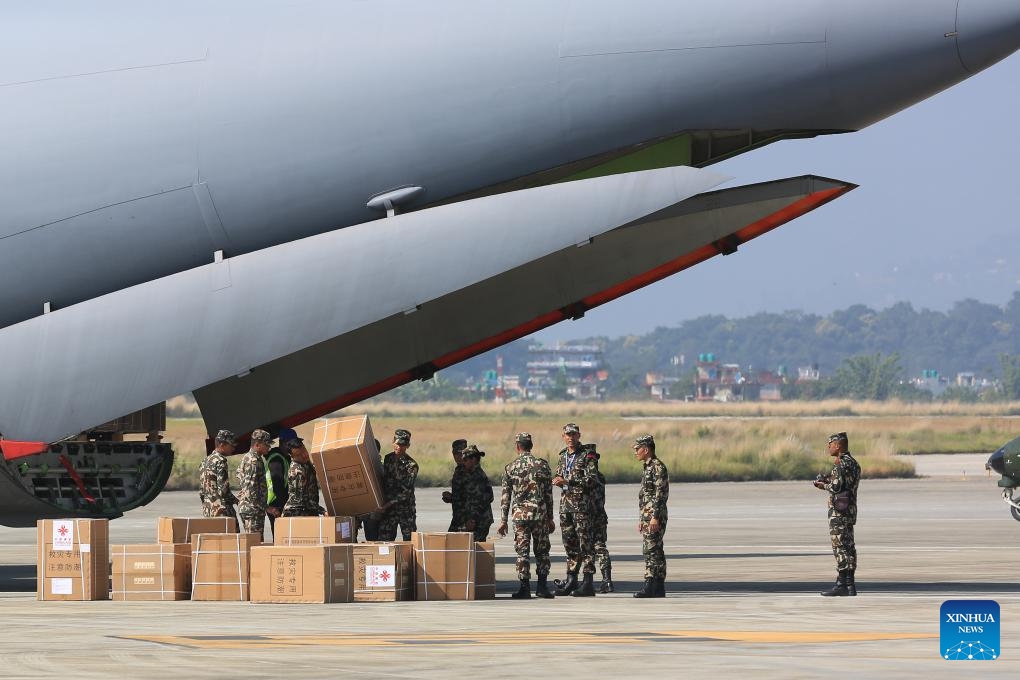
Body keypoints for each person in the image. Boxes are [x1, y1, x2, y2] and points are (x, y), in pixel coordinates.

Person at [498, 432, 556, 599]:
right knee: (542, 551)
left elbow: (505, 497)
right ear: (531, 445)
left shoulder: (511, 467)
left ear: (518, 447)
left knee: (522, 552)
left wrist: (503, 521)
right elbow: (548, 494)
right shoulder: (542, 465)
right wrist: (550, 517)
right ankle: (542, 587)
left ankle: (524, 587)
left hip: (520, 516)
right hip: (539, 515)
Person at [552, 423, 598, 597]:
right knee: (569, 544)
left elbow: (592, 479)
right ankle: (571, 579)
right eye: (567, 435)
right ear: (563, 436)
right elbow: (559, 474)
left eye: (574, 434)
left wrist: (568, 481)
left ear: (579, 436)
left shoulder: (587, 455)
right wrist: (558, 481)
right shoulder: (563, 456)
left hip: (581, 506)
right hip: (566, 506)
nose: (571, 438)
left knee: (585, 544)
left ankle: (588, 582)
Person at [814, 431, 861, 597]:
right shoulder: (854, 463)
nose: (828, 447)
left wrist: (822, 485)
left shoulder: (840, 464)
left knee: (839, 545)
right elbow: (845, 484)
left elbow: (836, 487)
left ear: (839, 445)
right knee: (849, 546)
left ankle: (842, 583)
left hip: (839, 511)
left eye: (831, 444)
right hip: (850, 510)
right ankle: (849, 584)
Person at [633, 434, 669, 598]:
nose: (635, 452)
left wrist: (654, 517)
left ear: (646, 450)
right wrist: (642, 519)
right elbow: (645, 496)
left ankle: (650, 584)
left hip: (655, 516)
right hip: (648, 515)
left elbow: (660, 495)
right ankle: (658, 586)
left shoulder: (657, 467)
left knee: (651, 550)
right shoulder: (648, 467)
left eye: (637, 449)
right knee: (656, 551)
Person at [379, 429, 419, 541]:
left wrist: (387, 504)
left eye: (402, 445)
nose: (399, 447)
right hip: (389, 509)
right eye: (397, 444)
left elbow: (406, 492)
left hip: (405, 510)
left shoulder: (411, 465)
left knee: (410, 540)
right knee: (384, 539)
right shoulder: (388, 459)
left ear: (408, 446)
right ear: (393, 443)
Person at [236, 429, 274, 538]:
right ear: (257, 444)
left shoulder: (247, 457)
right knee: (254, 543)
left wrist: (244, 487)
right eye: (266, 444)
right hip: (252, 510)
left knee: (254, 541)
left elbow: (238, 473)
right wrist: (266, 508)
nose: (269, 447)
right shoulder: (254, 461)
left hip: (250, 508)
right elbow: (250, 490)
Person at [588, 444, 615, 593]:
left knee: (589, 549)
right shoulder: (601, 476)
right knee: (601, 547)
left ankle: (590, 581)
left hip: (591, 516)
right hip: (600, 515)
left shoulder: (590, 479)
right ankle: (607, 580)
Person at [199, 429, 239, 525]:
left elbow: (204, 488)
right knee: (231, 537)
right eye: (231, 446)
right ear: (222, 445)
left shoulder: (205, 460)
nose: (233, 449)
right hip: (221, 509)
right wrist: (236, 500)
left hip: (208, 508)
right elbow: (223, 490)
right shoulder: (220, 461)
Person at [281, 433, 325, 517]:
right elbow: (301, 500)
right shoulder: (297, 472)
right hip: (297, 513)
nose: (304, 455)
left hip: (309, 510)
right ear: (292, 456)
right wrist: (322, 511)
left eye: (304, 451)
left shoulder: (304, 462)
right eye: (299, 455)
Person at [457, 444, 494, 541]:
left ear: (473, 459)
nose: (464, 463)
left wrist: (472, 519)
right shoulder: (472, 474)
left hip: (479, 520)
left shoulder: (477, 476)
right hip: (478, 519)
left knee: (474, 549)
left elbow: (483, 499)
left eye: (465, 460)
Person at [264, 428, 294, 535]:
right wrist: (284, 505)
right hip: (276, 503)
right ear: (284, 443)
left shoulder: (286, 457)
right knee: (279, 537)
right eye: (292, 443)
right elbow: (277, 483)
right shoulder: (276, 459)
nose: (294, 446)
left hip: (281, 502)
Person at [442, 439, 468, 531]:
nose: (458, 456)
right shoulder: (459, 470)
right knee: (452, 542)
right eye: (455, 454)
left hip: (470, 518)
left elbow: (476, 497)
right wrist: (451, 498)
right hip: (459, 516)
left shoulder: (471, 470)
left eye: (461, 454)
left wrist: (453, 498)